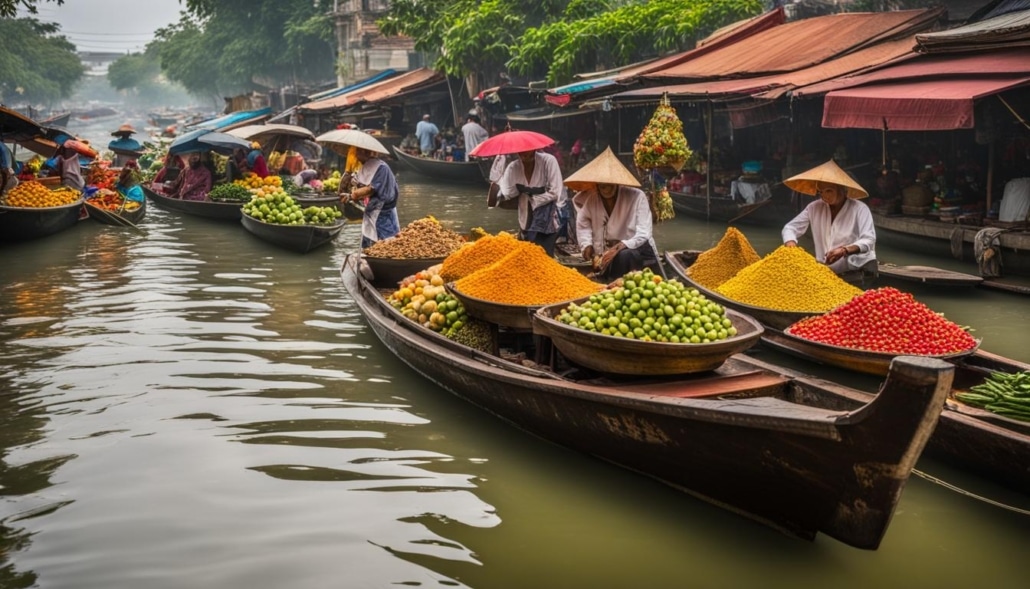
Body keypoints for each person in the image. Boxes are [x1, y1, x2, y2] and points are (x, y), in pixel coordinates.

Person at [567, 147, 658, 281]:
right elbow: (583, 221)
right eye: (602, 185)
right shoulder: (592, 199)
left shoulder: (637, 197)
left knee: (624, 255)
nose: (606, 189)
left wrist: (619, 247)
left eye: (610, 185)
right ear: (597, 185)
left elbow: (644, 233)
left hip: (639, 251)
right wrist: (586, 244)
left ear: (617, 183)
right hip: (607, 254)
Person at [781, 159, 876, 275]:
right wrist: (790, 242)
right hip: (824, 271)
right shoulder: (814, 207)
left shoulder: (860, 209)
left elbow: (869, 239)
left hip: (854, 268)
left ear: (842, 190)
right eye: (821, 192)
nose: (824, 196)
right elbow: (790, 228)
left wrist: (844, 250)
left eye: (829, 191)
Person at [497, 146, 565, 257]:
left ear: (534, 148)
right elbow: (508, 193)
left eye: (527, 150)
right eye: (521, 151)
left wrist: (533, 199)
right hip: (526, 215)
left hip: (549, 216)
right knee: (527, 253)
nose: (524, 153)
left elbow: (555, 192)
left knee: (543, 254)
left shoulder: (548, 161)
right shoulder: (512, 167)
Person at [344, 147, 400, 248]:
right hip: (374, 209)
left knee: (387, 243)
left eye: (357, 153)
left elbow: (371, 189)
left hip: (383, 211)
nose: (356, 156)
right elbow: (362, 187)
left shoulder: (380, 167)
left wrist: (354, 195)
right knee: (370, 241)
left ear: (364, 152)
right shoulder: (366, 166)